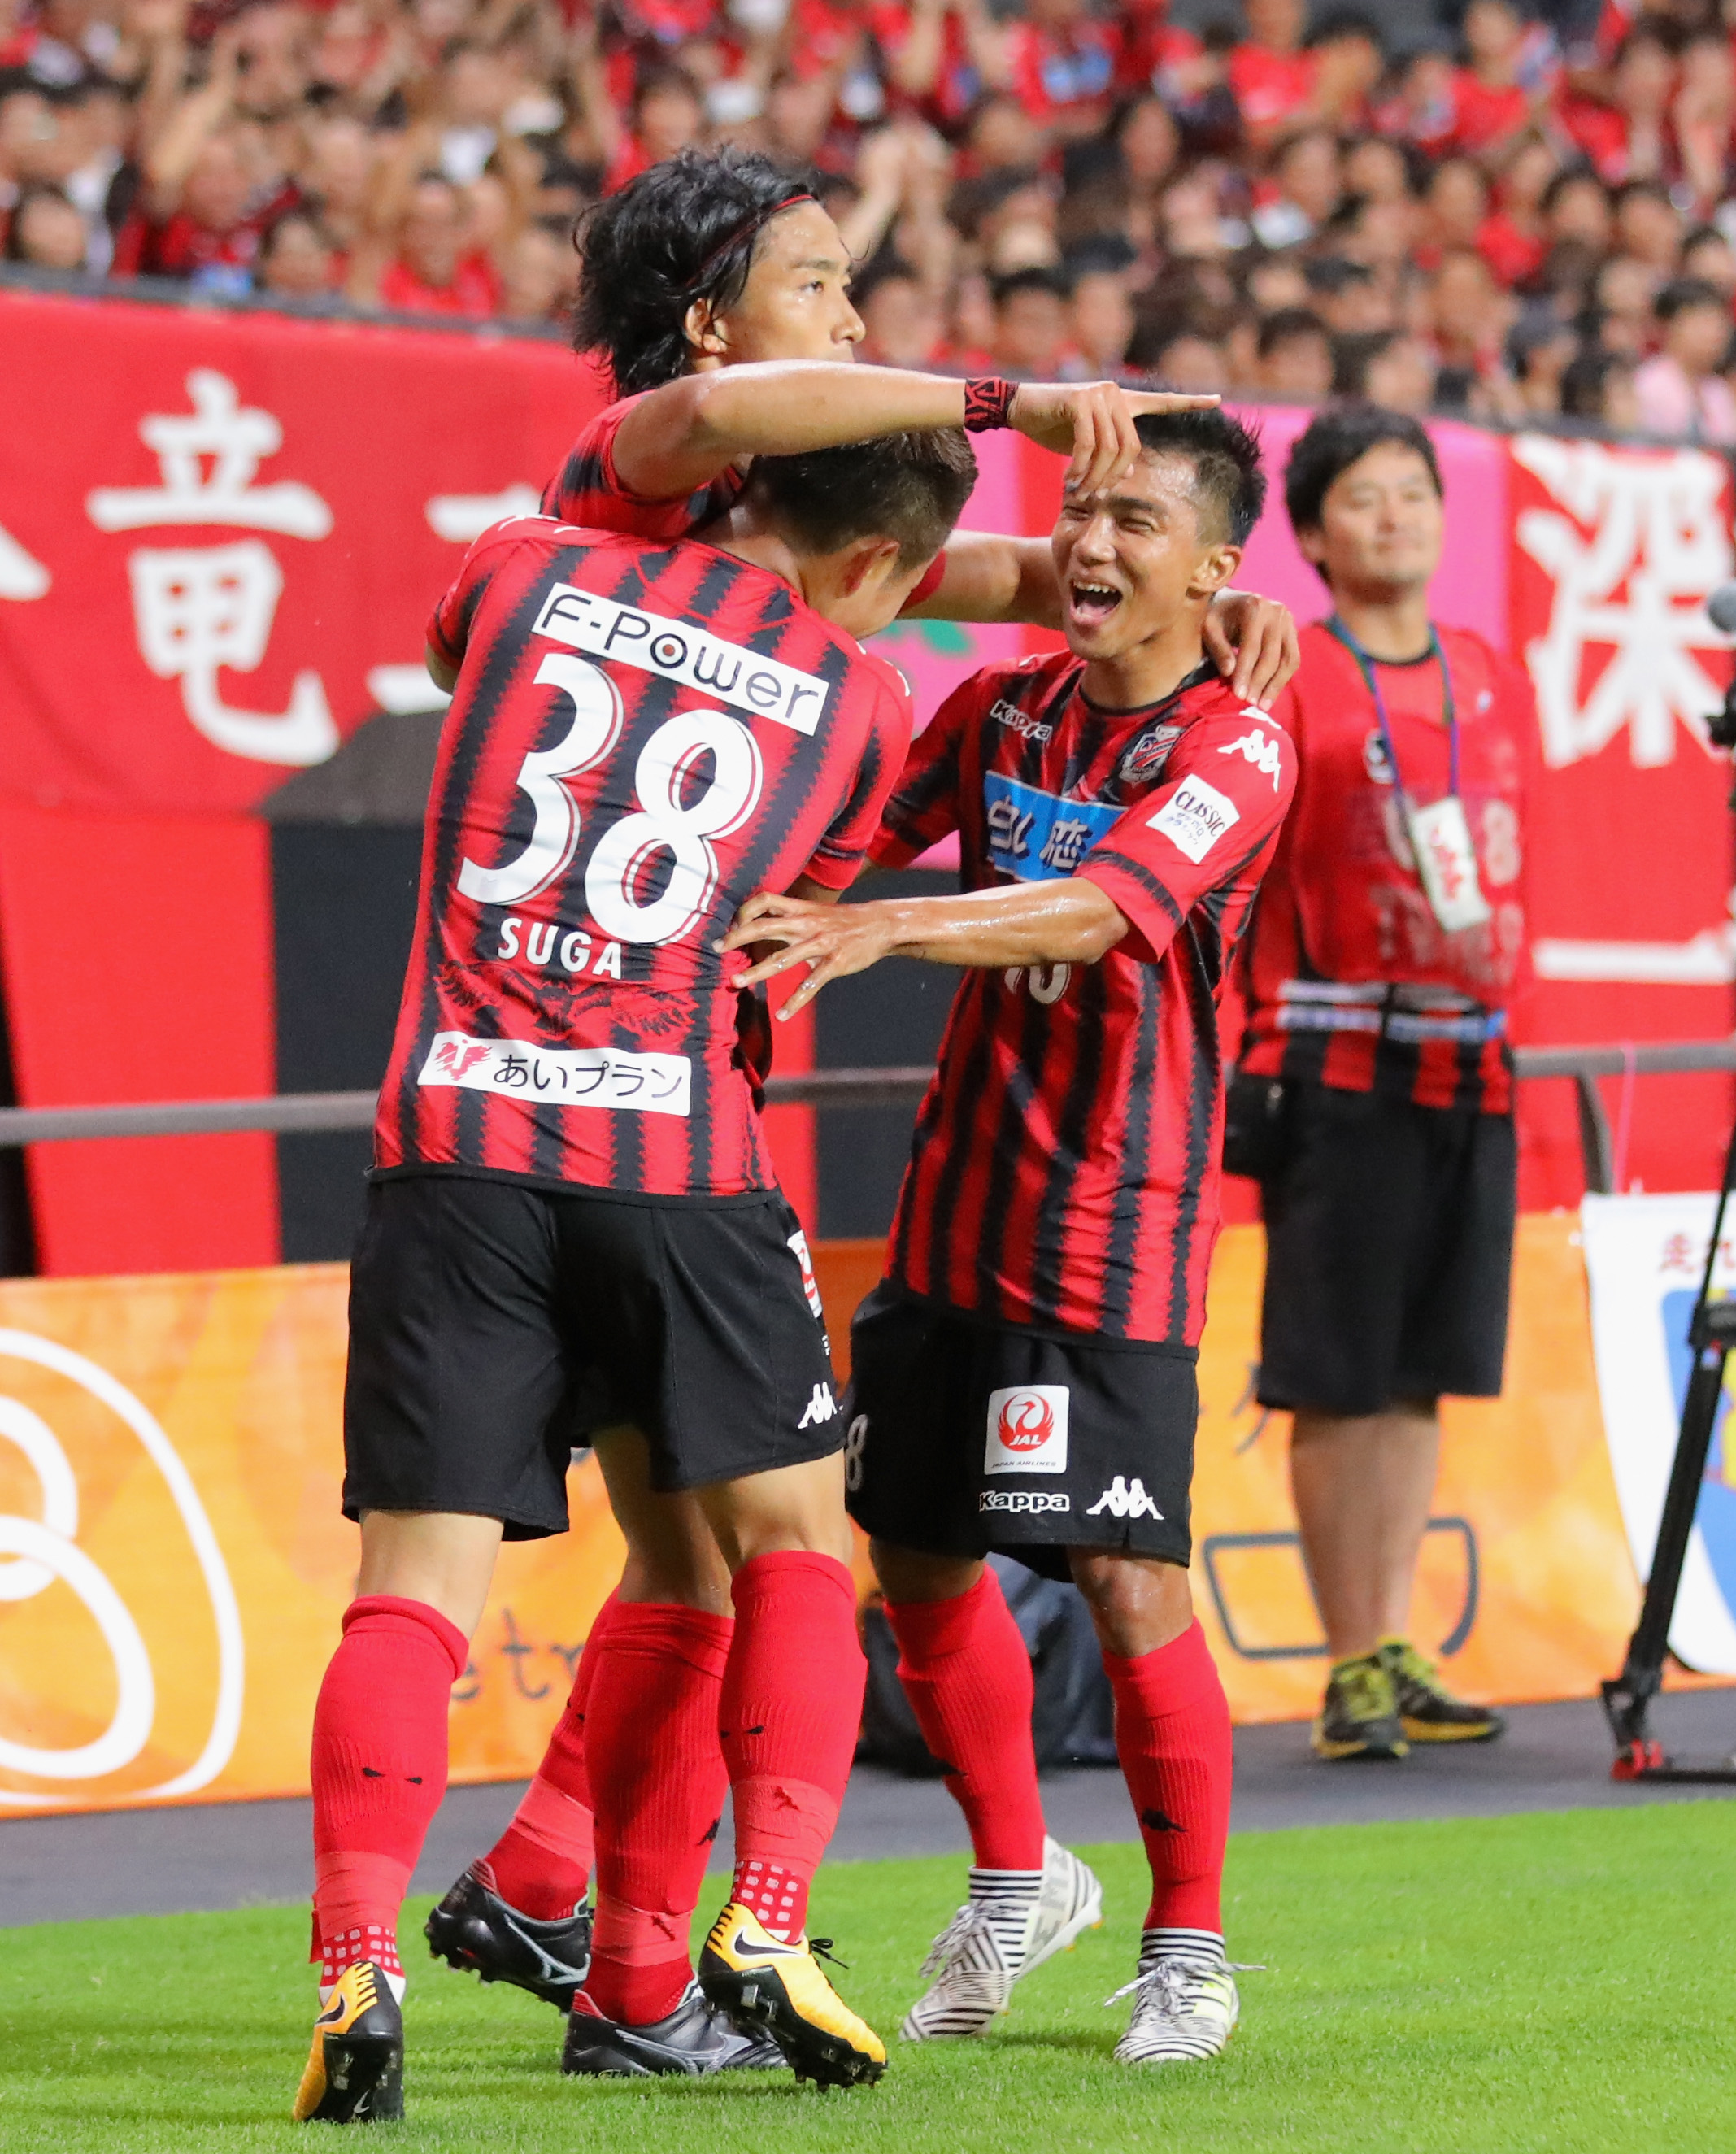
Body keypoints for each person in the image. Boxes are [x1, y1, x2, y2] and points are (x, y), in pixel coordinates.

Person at [417, 144, 1302, 2032]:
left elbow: (966, 571)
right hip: (645, 1112)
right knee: (774, 1549)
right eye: (820, 281)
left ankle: (593, 1919)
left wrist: (1173, 583)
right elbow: (756, 430)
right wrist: (1024, 404)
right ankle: (650, 1911)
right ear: (710, 322)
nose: (854, 312)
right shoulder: (642, 468)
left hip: (664, 1111)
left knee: (719, 1552)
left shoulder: (1129, 696)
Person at [294, 423, 982, 2117]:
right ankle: (765, 1920)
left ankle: (363, 1960)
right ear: (882, 569)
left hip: (454, 1146)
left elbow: (457, 651)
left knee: (415, 1586)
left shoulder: (521, 568)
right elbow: (783, 910)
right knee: (790, 1543)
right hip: (671, 1155)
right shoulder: (860, 692)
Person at [727, 409, 1290, 2067]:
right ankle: (1018, 1872)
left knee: (1125, 1577)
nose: (1093, 545)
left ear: (1212, 569)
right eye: (1081, 510)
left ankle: (1189, 1945)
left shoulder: (1238, 743)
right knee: (908, 1554)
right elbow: (832, 843)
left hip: (1115, 1224)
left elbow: (1106, 904)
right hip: (954, 1210)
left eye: (1135, 520)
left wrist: (884, 921)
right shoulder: (1000, 708)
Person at [1227, 404, 1534, 1764]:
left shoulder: (1483, 666)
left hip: (1473, 1057)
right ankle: (1346, 1654)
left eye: (1415, 491)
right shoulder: (1294, 672)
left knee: (1419, 1374)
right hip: (1334, 1056)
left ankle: (1394, 1635)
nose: (1396, 514)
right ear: (1310, 534)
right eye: (1363, 498)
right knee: (1335, 1376)